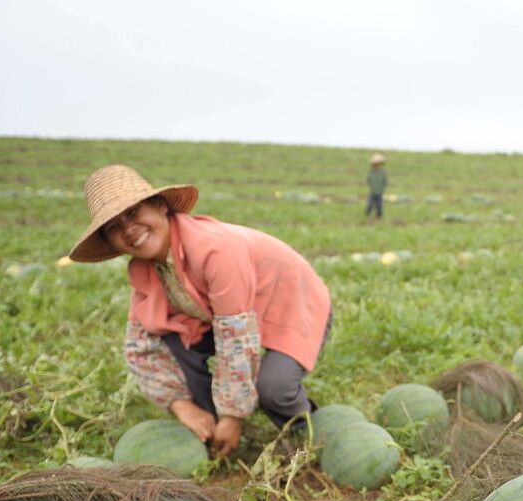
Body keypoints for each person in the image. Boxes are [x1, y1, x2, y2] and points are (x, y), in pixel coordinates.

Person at [68, 164, 332, 458]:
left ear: (159, 206)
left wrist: (234, 416)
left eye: (133, 213)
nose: (128, 229)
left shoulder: (216, 250)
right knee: (170, 341)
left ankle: (311, 438)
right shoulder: (145, 271)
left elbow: (237, 339)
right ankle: (210, 424)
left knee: (274, 388)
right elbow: (139, 347)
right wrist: (183, 407)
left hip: (293, 305)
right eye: (113, 227)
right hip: (231, 316)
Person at [365, 153, 387, 220]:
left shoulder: (383, 173)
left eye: (379, 164)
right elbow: (369, 180)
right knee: (370, 203)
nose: (378, 166)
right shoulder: (371, 173)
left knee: (379, 205)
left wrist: (382, 188)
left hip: (380, 192)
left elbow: (385, 181)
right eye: (376, 164)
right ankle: (367, 214)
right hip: (373, 191)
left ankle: (379, 215)